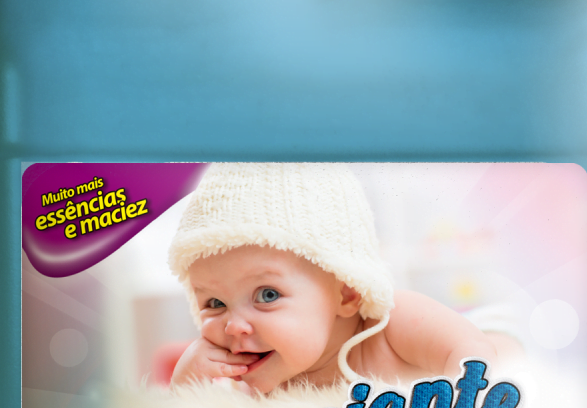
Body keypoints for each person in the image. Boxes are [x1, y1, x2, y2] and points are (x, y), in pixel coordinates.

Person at [167, 163, 497, 395]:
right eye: (215, 303)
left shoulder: (391, 327)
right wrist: (186, 388)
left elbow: (475, 359)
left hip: (487, 331)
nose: (233, 327)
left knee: (499, 334)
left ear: (347, 292)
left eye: (267, 294)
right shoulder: (256, 384)